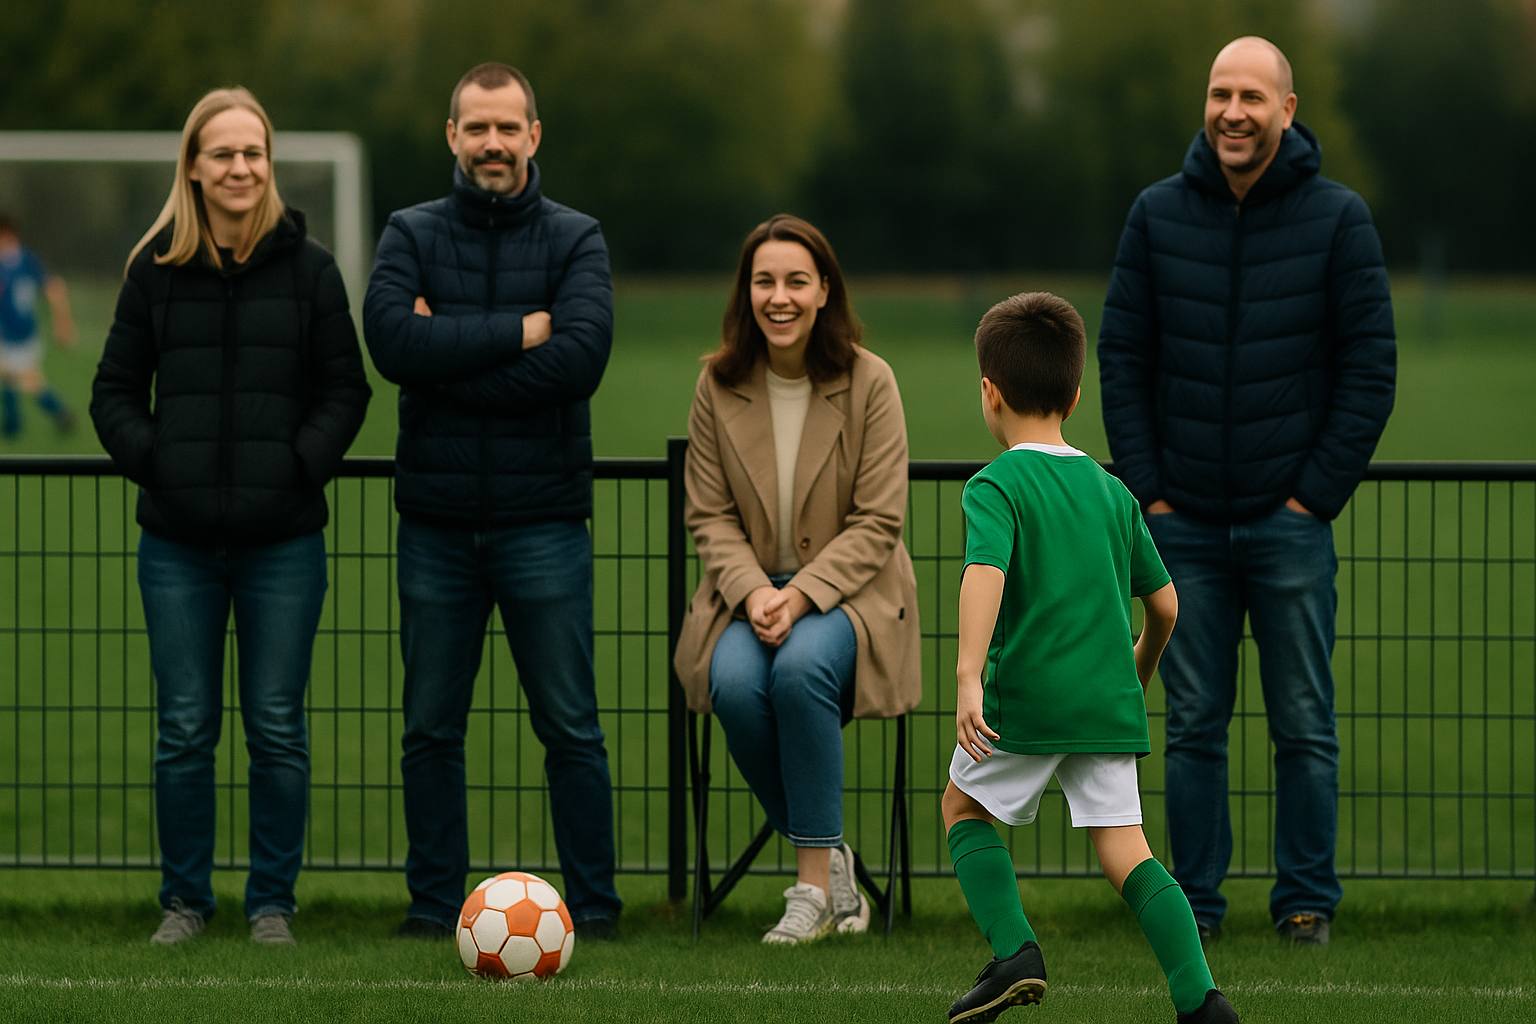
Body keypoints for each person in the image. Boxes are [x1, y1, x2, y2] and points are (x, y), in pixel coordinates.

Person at [1097, 37, 1396, 946]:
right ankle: (1194, 905)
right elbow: (1122, 358)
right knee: (1192, 727)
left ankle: (1306, 901)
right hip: (1180, 525)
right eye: (1220, 93)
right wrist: (1148, 493)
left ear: (1287, 111)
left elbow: (1369, 370)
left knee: (1305, 722)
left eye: (1252, 97)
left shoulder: (1339, 219)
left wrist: (1313, 497)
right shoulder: (1155, 215)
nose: (1233, 111)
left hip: (1289, 525)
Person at [90, 87, 372, 946]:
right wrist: (159, 464)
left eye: (254, 152)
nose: (242, 167)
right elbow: (112, 393)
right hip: (176, 545)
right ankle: (185, 903)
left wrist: (295, 470)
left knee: (278, 729)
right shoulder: (154, 270)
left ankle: (271, 905)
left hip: (283, 545)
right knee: (184, 729)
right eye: (224, 154)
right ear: (195, 167)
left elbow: (346, 390)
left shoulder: (312, 269)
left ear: (268, 164)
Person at [362, 62, 621, 939]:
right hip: (435, 527)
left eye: (508, 128)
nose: (493, 144)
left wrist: (449, 361)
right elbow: (393, 343)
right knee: (430, 731)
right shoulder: (409, 231)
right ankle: (435, 907)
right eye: (477, 128)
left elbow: (581, 359)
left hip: (545, 522)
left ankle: (594, 906)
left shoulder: (577, 238)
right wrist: (516, 333)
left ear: (533, 136)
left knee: (571, 728)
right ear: (452, 136)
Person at [944, 292, 1237, 1024]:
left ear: (989, 391)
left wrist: (968, 675)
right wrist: (1136, 670)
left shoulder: (998, 482)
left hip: (1029, 698)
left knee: (962, 808)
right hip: (1106, 702)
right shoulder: (1113, 492)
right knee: (1128, 854)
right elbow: (1166, 606)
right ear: (1075, 395)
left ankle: (1014, 951)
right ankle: (1201, 1001)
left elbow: (986, 572)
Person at [673, 214, 921, 944]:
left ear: (823, 292)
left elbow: (880, 520)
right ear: (746, 293)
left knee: (799, 672)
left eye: (795, 282)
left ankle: (809, 891)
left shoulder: (871, 381)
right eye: (764, 281)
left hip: (853, 594)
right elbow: (709, 515)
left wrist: (802, 594)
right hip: (744, 595)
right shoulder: (717, 385)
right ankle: (832, 859)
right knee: (735, 683)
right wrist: (755, 592)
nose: (778, 297)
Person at [0, 213, 77, 437]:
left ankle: (59, 413)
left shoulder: (25, 261)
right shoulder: (16, 261)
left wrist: (63, 322)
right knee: (15, 379)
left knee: (24, 379)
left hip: (23, 334)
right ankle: (13, 429)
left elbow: (54, 288)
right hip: (6, 334)